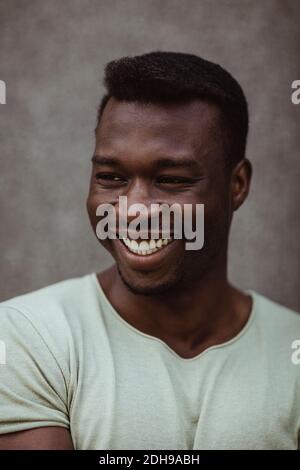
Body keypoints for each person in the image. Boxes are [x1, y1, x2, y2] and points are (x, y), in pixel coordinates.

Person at [0, 51, 299, 450]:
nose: (134, 209)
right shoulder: (28, 337)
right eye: (111, 177)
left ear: (238, 185)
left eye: (171, 180)